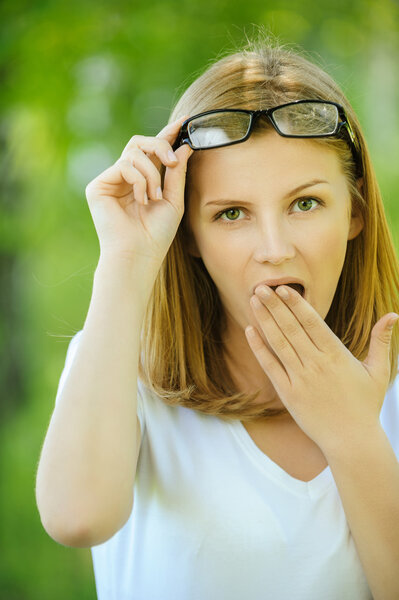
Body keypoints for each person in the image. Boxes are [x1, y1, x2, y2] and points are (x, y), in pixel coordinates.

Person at [36, 34, 399, 600]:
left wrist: (355, 436)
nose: (274, 248)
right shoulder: (119, 369)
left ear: (353, 212)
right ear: (190, 238)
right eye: (232, 214)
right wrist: (126, 258)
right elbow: (75, 518)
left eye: (305, 203)